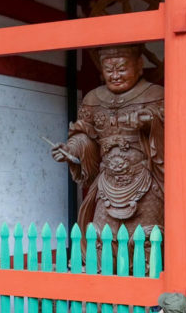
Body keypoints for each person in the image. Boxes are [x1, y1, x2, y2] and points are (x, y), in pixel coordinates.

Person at [50, 44, 164, 241]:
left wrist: (150, 122)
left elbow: (177, 132)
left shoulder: (154, 94)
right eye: (109, 70)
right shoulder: (93, 98)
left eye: (121, 69)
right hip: (107, 183)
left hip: (144, 180)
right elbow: (84, 134)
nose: (115, 75)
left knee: (147, 236)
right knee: (101, 236)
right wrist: (70, 149)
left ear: (138, 66)